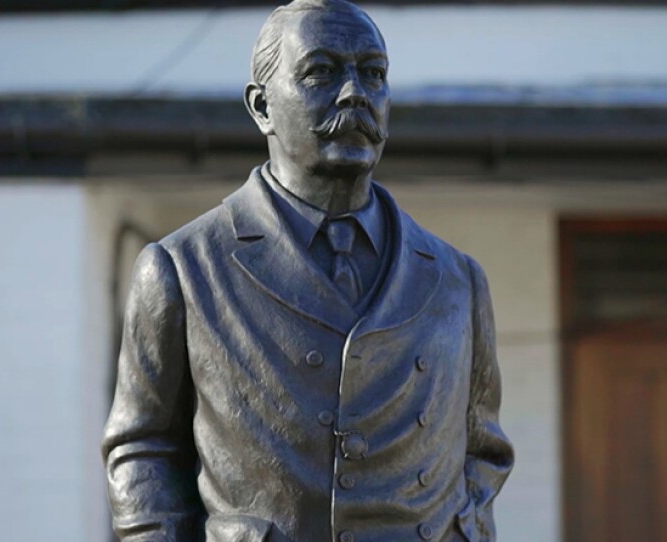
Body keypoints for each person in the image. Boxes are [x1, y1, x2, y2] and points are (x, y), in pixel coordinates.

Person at [102, 1, 513, 540]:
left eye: (373, 74)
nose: (354, 94)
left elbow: (483, 450)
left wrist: (466, 528)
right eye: (321, 72)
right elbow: (143, 447)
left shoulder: (458, 280)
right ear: (261, 107)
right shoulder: (183, 269)